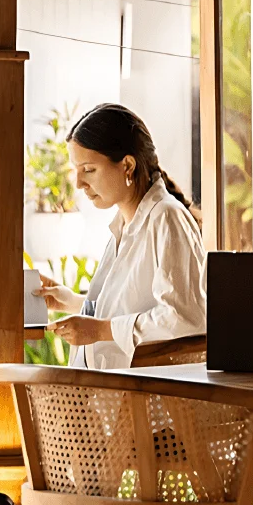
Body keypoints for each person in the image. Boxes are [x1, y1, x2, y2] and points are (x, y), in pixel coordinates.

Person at [35, 103, 206, 370]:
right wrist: (72, 301)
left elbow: (183, 319)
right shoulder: (123, 226)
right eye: (76, 171)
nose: (78, 183)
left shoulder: (166, 218)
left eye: (88, 170)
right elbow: (129, 310)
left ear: (127, 165)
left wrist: (101, 331)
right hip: (112, 402)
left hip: (146, 405)